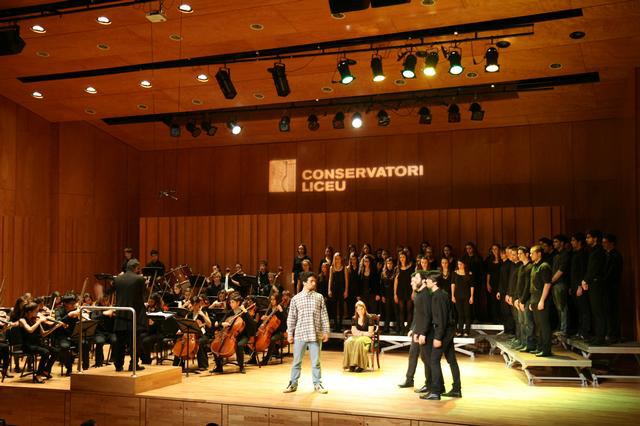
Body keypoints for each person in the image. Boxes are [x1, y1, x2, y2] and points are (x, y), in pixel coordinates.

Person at [283, 272, 330, 394]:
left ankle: (317, 384)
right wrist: (290, 333)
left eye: (315, 281)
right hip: (300, 334)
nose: (314, 283)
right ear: (304, 282)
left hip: (315, 334)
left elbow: (324, 315)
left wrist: (326, 331)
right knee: (296, 362)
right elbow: (291, 318)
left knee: (316, 362)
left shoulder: (319, 297)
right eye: (311, 281)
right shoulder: (296, 299)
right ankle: (293, 384)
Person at [422, 271, 461, 401]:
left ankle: (436, 391)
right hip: (447, 331)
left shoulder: (439, 296)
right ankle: (456, 389)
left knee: (433, 360)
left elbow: (442, 319)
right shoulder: (440, 294)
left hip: (444, 333)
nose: (426, 281)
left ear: (435, 282)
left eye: (428, 280)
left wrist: (438, 337)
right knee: (451, 360)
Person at [107, 258, 147, 372]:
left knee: (120, 343)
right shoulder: (140, 279)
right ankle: (133, 365)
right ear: (136, 268)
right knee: (135, 342)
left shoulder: (118, 279)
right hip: (134, 316)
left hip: (120, 316)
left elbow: (109, 292)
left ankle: (118, 365)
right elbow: (143, 296)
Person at [398, 271, 432, 394]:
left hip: (423, 332)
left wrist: (422, 332)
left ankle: (429, 383)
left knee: (425, 358)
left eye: (415, 279)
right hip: (417, 330)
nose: (412, 282)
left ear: (423, 280)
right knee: (413, 354)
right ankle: (409, 379)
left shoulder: (426, 295)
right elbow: (417, 315)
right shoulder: (418, 294)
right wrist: (412, 328)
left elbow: (427, 316)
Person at [211, 294, 256, 374]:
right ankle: (219, 367)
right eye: (230, 302)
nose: (230, 304)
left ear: (238, 303)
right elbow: (221, 322)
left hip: (243, 335)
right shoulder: (230, 312)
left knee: (239, 345)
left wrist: (246, 312)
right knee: (216, 344)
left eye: (232, 302)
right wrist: (222, 324)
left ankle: (241, 366)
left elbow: (252, 325)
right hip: (229, 334)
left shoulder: (244, 313)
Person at [523, 246, 553, 357]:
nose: (530, 255)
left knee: (544, 326)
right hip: (534, 299)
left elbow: (547, 284)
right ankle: (539, 347)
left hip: (541, 299)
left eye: (532, 253)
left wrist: (542, 300)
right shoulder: (534, 266)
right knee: (538, 325)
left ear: (539, 253)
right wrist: (532, 302)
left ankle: (546, 349)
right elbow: (533, 286)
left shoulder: (544, 266)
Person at [582, 230, 607, 345]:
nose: (586, 240)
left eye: (589, 237)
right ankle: (597, 335)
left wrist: (586, 279)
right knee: (594, 310)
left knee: (598, 310)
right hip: (593, 283)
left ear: (595, 238)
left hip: (597, 283)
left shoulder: (599, 251)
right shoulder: (593, 250)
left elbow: (594, 268)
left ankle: (600, 337)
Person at [512, 247, 534, 352]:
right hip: (520, 299)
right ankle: (522, 342)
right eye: (518, 253)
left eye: (520, 253)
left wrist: (523, 300)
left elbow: (527, 286)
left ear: (527, 254)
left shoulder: (530, 267)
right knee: (521, 321)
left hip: (526, 299)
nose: (518, 255)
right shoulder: (521, 267)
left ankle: (529, 344)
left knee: (527, 322)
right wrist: (516, 298)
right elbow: (518, 285)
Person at [343, 301, 374, 372]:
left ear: (364, 309)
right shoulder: (354, 318)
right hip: (357, 336)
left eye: (362, 309)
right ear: (356, 310)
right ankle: (351, 364)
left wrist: (360, 333)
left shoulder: (369, 318)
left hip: (367, 338)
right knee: (348, 342)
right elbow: (353, 332)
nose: (360, 311)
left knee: (359, 342)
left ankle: (360, 365)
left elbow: (370, 333)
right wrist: (362, 333)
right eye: (358, 309)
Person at [602, 234, 623, 343]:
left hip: (612, 287)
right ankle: (610, 333)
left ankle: (614, 335)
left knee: (612, 310)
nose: (603, 244)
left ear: (612, 243)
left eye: (605, 242)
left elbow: (611, 273)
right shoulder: (607, 255)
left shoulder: (615, 256)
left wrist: (602, 281)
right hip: (608, 286)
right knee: (608, 310)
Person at [570, 233, 590, 339]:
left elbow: (582, 271)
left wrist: (579, 286)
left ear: (579, 242)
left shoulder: (583, 254)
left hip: (580, 286)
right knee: (578, 310)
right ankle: (580, 330)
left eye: (573, 240)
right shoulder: (575, 253)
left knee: (584, 310)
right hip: (574, 286)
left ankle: (584, 332)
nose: (571, 242)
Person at [551, 235, 571, 337]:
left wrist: (551, 281)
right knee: (558, 307)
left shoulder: (565, 255)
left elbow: (561, 270)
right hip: (555, 284)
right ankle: (560, 327)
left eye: (556, 242)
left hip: (561, 283)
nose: (554, 244)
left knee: (563, 307)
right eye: (554, 242)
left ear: (562, 243)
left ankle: (564, 329)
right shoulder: (556, 255)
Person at [451, 260, 474, 337]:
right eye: (458, 264)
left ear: (464, 264)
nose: (459, 265)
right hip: (457, 296)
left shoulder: (469, 273)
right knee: (460, 314)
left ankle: (467, 331)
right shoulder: (454, 273)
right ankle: (460, 330)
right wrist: (452, 295)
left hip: (467, 296)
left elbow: (472, 286)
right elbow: (453, 284)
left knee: (467, 313)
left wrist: (472, 296)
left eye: (461, 264)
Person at [328, 252, 349, 332]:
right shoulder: (332, 268)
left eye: (338, 258)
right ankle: (335, 324)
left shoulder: (344, 267)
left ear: (341, 259)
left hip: (341, 288)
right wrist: (329, 289)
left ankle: (340, 324)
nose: (337, 260)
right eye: (336, 258)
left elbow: (346, 280)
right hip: (334, 288)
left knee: (341, 306)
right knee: (334, 306)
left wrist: (346, 290)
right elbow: (330, 279)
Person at [394, 252, 413, 334]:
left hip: (409, 290)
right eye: (400, 257)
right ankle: (402, 328)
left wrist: (413, 292)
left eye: (403, 257)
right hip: (400, 291)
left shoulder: (411, 267)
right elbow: (396, 282)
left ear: (406, 258)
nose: (402, 259)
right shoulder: (397, 268)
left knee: (409, 310)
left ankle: (408, 328)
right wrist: (395, 294)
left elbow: (413, 280)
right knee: (401, 310)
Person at [484, 244, 501, 323]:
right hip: (492, 283)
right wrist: (487, 284)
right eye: (493, 249)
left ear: (499, 250)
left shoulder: (502, 260)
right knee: (493, 301)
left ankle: (500, 318)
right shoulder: (490, 260)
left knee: (499, 301)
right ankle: (494, 319)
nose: (494, 250)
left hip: (500, 282)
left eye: (496, 249)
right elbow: (488, 273)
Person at [379, 257, 396, 334]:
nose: (389, 265)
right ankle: (386, 328)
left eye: (391, 263)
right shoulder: (383, 273)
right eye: (388, 263)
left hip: (394, 294)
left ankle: (398, 327)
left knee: (396, 311)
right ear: (386, 264)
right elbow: (381, 285)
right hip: (386, 295)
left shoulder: (395, 272)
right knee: (387, 312)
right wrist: (382, 295)